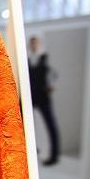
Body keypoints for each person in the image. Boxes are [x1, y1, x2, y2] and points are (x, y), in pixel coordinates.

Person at [28, 35, 60, 166]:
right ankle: (30, 150)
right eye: (32, 43)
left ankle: (54, 155)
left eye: (36, 43)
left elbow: (55, 75)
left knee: (50, 124)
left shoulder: (45, 58)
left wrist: (51, 85)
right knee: (25, 123)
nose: (34, 45)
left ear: (39, 44)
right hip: (30, 95)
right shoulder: (27, 58)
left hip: (43, 95)